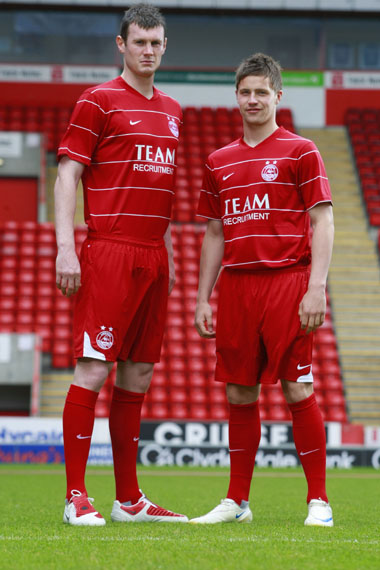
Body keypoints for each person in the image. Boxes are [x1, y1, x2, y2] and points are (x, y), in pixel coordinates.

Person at [54, 3, 188, 525]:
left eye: (156, 43)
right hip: (109, 249)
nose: (149, 51)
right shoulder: (98, 101)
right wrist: (67, 248)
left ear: (164, 45)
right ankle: (75, 496)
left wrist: (169, 256)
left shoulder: (175, 110)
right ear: (121, 44)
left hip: (155, 255)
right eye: (140, 42)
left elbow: (163, 193)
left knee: (138, 373)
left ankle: (129, 499)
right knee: (94, 368)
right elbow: (68, 175)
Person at [190, 53, 334, 527]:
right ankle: (237, 502)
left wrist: (316, 288)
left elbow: (323, 219)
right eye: (245, 93)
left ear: (277, 96)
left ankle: (319, 501)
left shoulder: (301, 151)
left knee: (297, 387)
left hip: (287, 282)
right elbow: (214, 233)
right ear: (237, 97)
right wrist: (201, 296)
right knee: (238, 393)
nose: (253, 100)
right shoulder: (219, 161)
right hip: (237, 286)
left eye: (261, 92)